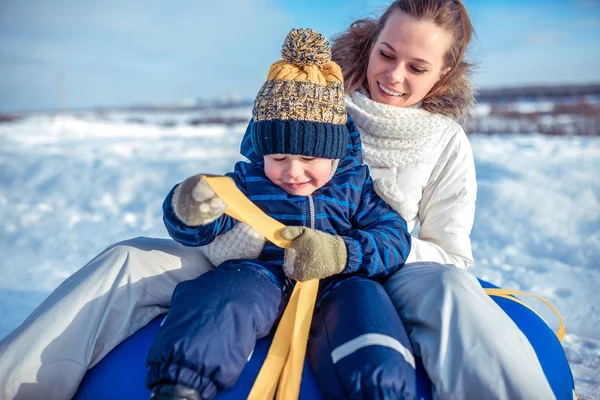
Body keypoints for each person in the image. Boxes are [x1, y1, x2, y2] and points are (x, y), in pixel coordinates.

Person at [0, 1, 557, 399]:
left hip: (382, 268)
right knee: (129, 257)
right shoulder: (314, 96)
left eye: (417, 67)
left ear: (444, 73)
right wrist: (204, 210)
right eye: (387, 54)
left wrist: (348, 251)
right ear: (370, 43)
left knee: (456, 289)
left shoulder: (445, 142)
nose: (393, 75)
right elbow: (255, 176)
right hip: (262, 251)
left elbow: (452, 254)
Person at [146, 28, 415, 400]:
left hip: (338, 279)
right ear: (263, 152)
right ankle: (181, 382)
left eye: (308, 158)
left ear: (335, 155)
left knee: (364, 303)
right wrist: (190, 210)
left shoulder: (355, 187)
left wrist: (342, 254)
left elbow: (393, 238)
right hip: (265, 275)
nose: (292, 171)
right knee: (226, 291)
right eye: (278, 157)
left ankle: (378, 389)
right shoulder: (249, 181)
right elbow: (205, 223)